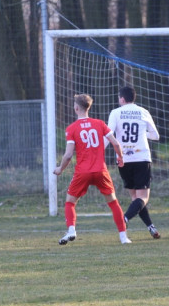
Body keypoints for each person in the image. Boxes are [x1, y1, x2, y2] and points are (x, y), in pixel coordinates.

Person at [53, 93, 129, 245]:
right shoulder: (99, 123)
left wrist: (60, 169)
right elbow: (115, 143)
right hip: (100, 170)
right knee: (113, 202)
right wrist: (120, 158)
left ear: (76, 108)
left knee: (70, 202)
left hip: (83, 172)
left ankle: (72, 230)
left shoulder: (72, 128)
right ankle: (123, 237)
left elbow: (68, 155)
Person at [106, 85, 161, 239]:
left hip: (123, 159)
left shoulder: (115, 113)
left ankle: (151, 227)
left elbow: (109, 134)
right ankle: (125, 219)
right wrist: (142, 134)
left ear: (122, 99)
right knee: (143, 198)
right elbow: (155, 135)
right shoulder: (143, 111)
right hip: (141, 158)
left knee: (135, 198)